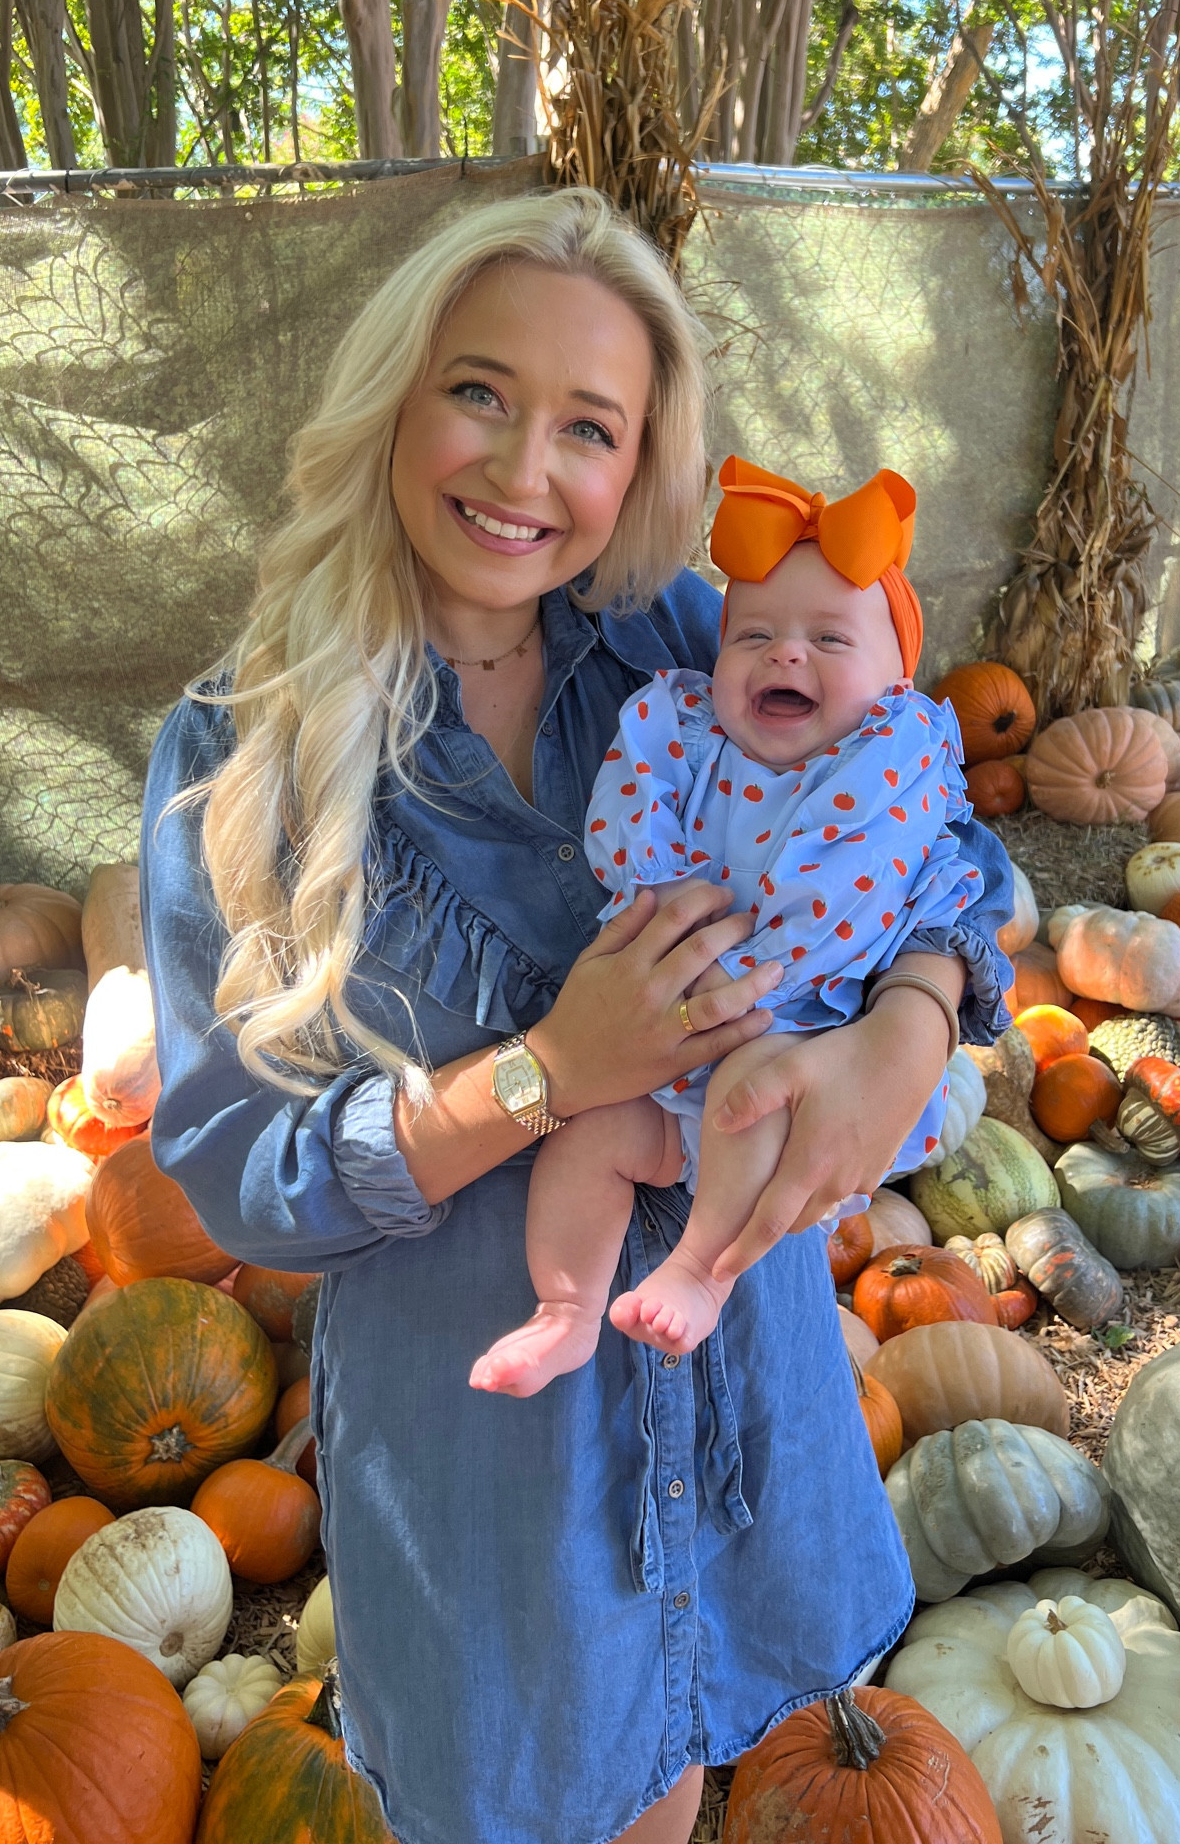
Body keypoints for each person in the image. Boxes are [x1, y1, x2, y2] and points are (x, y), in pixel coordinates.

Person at [140, 185, 1013, 1844]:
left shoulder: (687, 648)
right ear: (396, 394)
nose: (524, 469)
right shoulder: (240, 750)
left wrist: (909, 1016)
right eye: (480, 391)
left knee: (670, 1773)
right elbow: (240, 1173)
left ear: (638, 465)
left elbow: (946, 844)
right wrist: (552, 1072)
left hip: (726, 1378)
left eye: (588, 426)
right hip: (492, 1466)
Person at [471, 456, 984, 1396]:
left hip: (793, 1059)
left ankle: (704, 1269)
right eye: (754, 635)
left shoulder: (891, 765)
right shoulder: (686, 733)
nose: (786, 655)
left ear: (895, 683)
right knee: (585, 1140)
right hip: (653, 1068)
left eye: (830, 640)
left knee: (752, 1088)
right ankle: (565, 1310)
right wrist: (645, 903)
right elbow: (631, 824)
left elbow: (966, 879)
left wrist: (917, 1014)